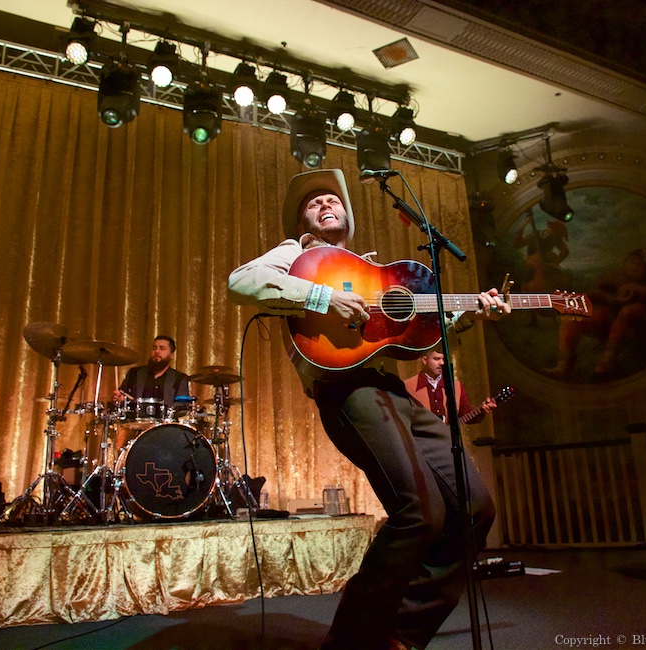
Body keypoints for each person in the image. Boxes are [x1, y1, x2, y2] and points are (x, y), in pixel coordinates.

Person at [228, 168, 506, 650]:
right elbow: (241, 282)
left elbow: (417, 334)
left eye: (332, 198)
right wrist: (322, 296)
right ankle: (350, 642)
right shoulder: (298, 255)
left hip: (392, 390)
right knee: (420, 512)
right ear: (304, 223)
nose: (324, 203)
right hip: (347, 389)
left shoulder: (368, 270)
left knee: (475, 506)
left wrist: (469, 313)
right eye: (313, 202)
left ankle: (401, 634)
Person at [542, 247, 646, 379]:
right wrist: (612, 299)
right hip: (609, 323)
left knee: (629, 311)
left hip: (639, 326)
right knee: (571, 319)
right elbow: (594, 293)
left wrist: (639, 289)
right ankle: (564, 366)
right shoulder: (617, 277)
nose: (635, 266)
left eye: (640, 264)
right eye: (632, 262)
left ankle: (606, 364)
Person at [112, 335, 191, 446]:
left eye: (162, 348)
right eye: (154, 348)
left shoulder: (179, 378)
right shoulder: (135, 373)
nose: (157, 351)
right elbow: (124, 397)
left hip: (165, 432)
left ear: (171, 355)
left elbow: (182, 406)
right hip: (135, 430)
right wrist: (120, 399)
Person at [404, 347, 497, 425]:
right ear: (424, 360)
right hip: (421, 444)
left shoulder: (455, 385)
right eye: (436, 359)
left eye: (444, 359)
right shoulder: (407, 386)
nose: (442, 363)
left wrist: (481, 411)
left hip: (448, 444)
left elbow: (464, 414)